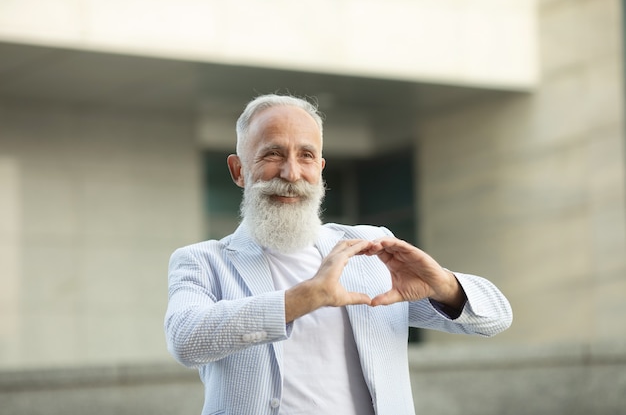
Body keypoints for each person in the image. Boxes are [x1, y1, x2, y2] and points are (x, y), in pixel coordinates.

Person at [164, 94, 512, 415]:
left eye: (306, 155)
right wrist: (303, 298)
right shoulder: (204, 261)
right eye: (272, 154)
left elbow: (496, 318)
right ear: (239, 170)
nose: (291, 173)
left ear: (320, 168)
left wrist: (443, 285)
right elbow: (186, 339)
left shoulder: (368, 248)